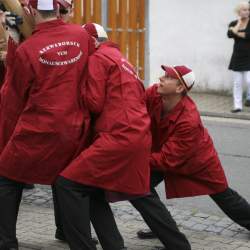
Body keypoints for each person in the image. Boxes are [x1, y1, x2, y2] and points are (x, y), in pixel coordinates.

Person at [0, 0, 95, 249]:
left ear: (30, 11)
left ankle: (6, 241)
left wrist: (6, 137)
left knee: (6, 176)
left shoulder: (26, 49)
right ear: (59, 9)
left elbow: (13, 97)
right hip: (75, 126)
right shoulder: (81, 35)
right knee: (64, 174)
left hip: (39, 128)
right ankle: (66, 230)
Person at [55, 22, 152, 250]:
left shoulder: (97, 59)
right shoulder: (120, 58)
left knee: (67, 184)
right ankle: (114, 246)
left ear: (90, 42)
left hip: (118, 134)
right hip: (134, 132)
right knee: (93, 189)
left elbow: (94, 103)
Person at [134, 65, 250, 249]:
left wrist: (134, 158)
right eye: (163, 75)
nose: (161, 78)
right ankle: (164, 228)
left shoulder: (189, 120)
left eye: (168, 77)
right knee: (141, 185)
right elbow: (133, 105)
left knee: (222, 194)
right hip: (164, 152)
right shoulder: (154, 94)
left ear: (180, 88)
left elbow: (167, 160)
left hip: (197, 160)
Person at [228, 1, 250, 113]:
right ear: (239, 12)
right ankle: (237, 106)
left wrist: (235, 32)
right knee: (237, 83)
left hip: (249, 58)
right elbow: (229, 34)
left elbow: (247, 36)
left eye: (248, 10)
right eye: (244, 10)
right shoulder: (233, 23)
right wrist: (238, 23)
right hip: (237, 57)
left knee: (249, 80)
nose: (247, 12)